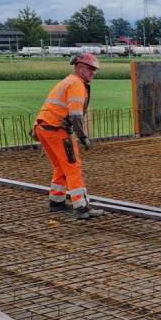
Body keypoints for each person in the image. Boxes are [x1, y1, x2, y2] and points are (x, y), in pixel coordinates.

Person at [34, 53, 106, 219]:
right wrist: (82, 136)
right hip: (57, 129)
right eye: (90, 69)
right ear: (79, 68)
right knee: (73, 167)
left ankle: (56, 202)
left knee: (60, 166)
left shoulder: (68, 80)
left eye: (94, 70)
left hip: (43, 127)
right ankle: (82, 207)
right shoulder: (76, 84)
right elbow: (76, 115)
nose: (93, 72)